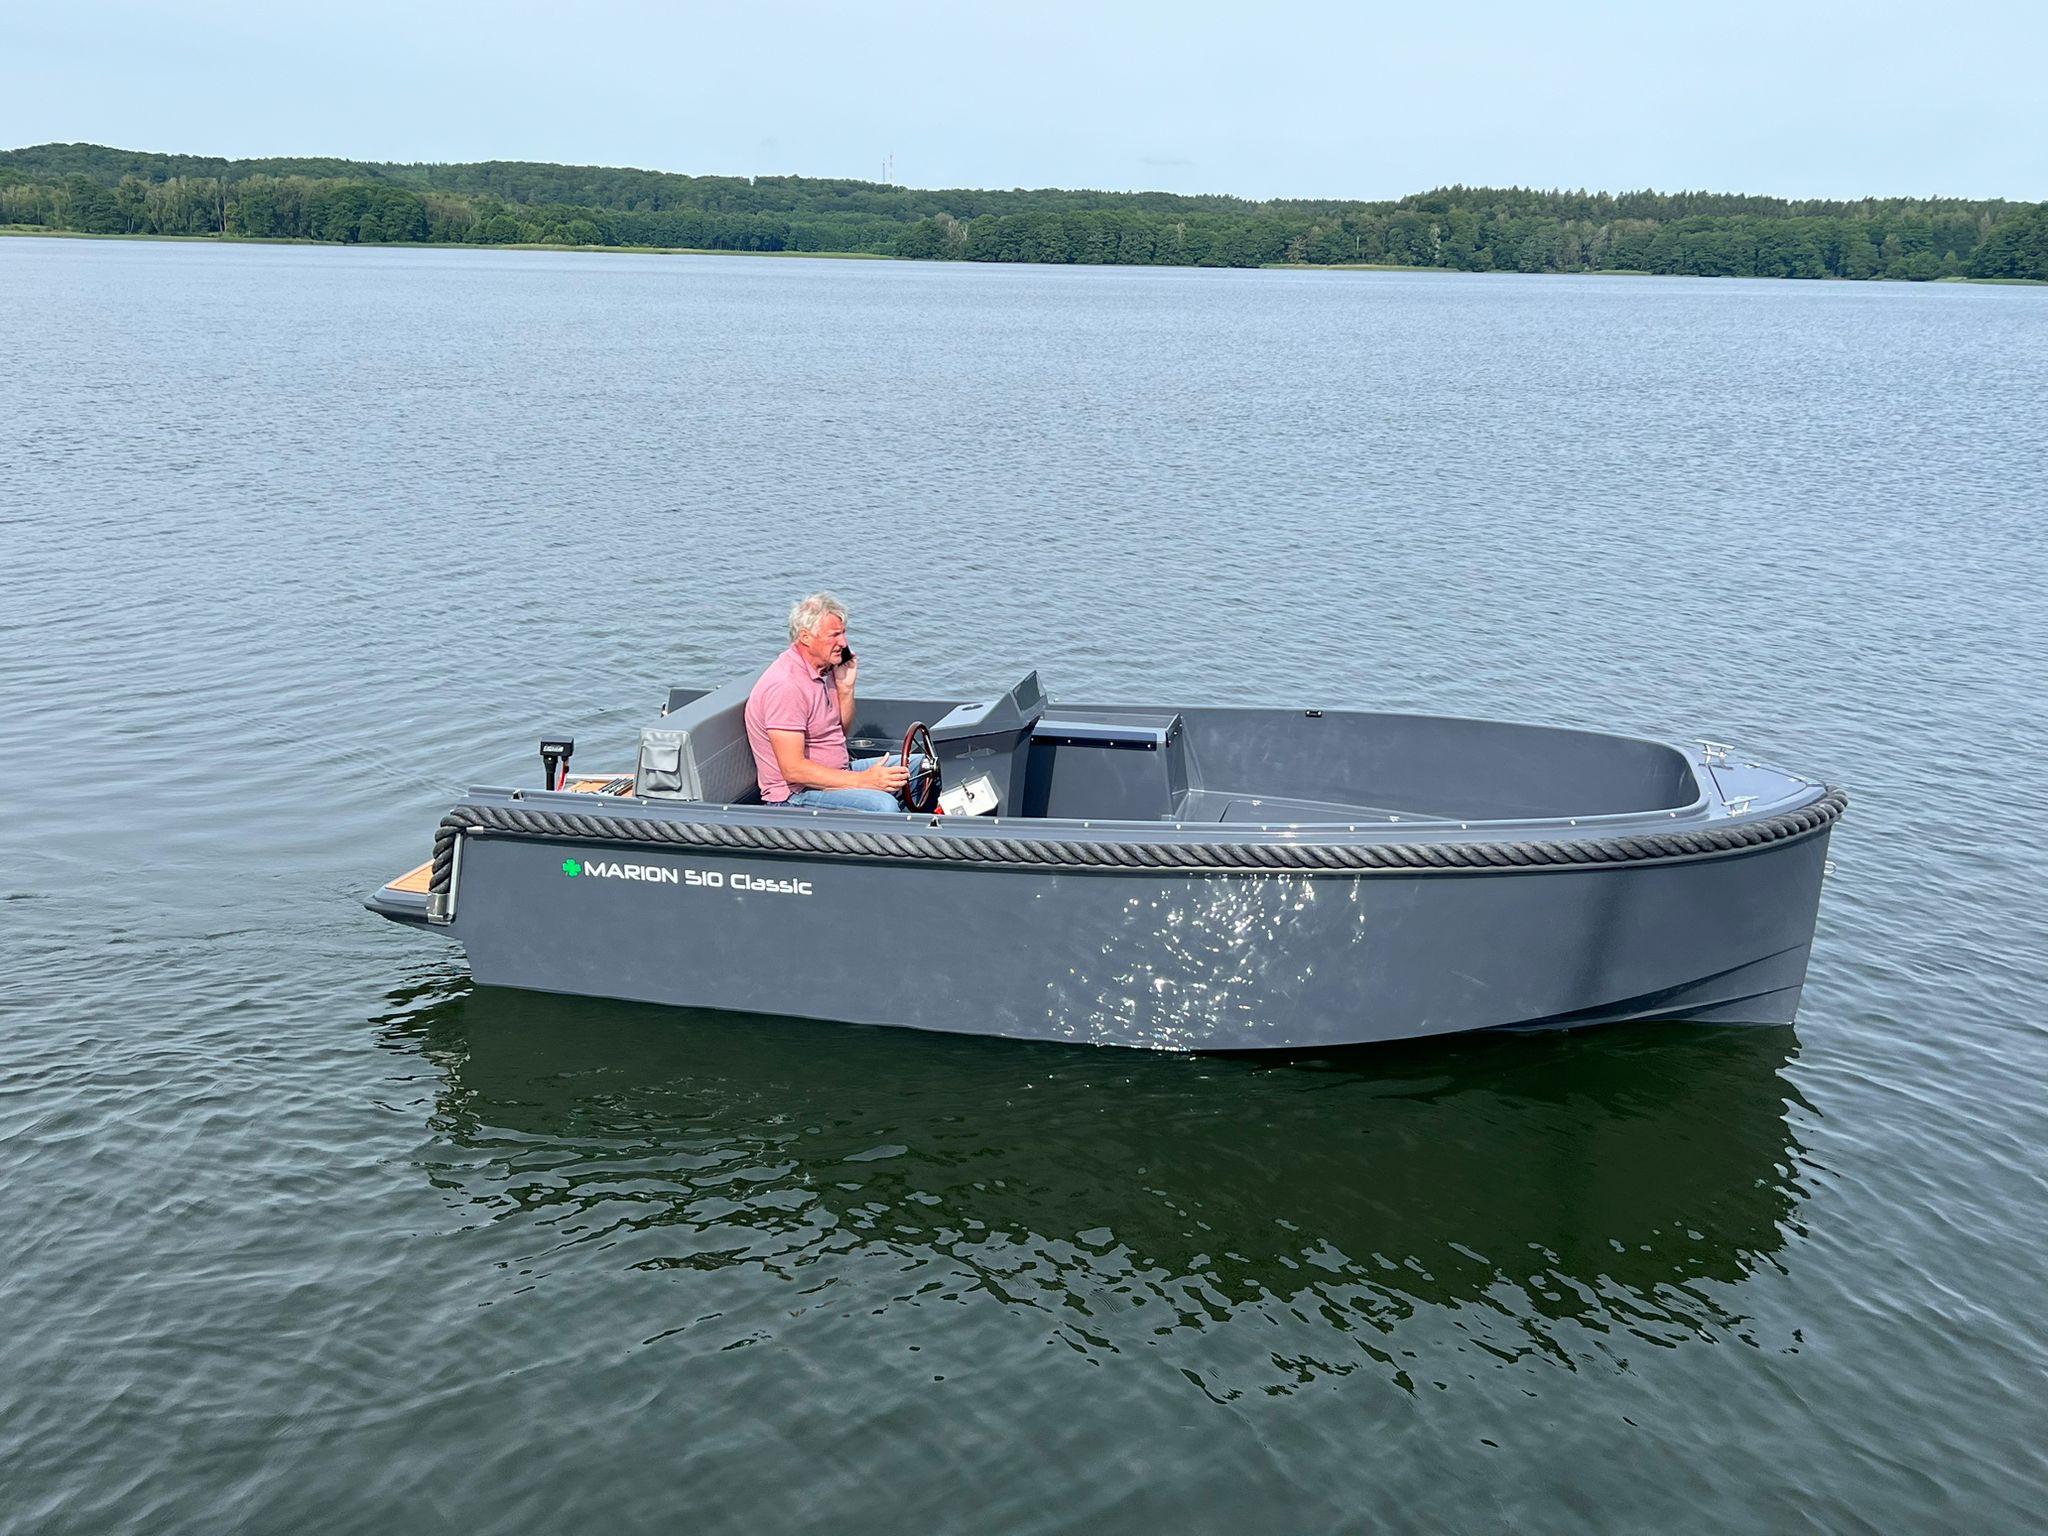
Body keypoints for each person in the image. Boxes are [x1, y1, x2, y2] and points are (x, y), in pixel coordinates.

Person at [745, 592, 914, 812]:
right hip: (795, 795)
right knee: (883, 805)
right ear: (806, 637)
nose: (843, 643)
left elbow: (838, 735)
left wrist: (845, 688)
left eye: (843, 633)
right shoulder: (787, 686)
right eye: (834, 635)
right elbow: (793, 770)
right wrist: (864, 781)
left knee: (921, 767)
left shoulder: (822, 672)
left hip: (838, 773)